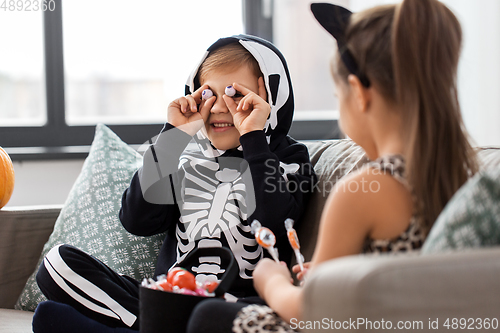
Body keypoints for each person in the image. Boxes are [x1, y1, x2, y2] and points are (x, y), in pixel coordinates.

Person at [186, 1, 479, 332]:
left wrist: (273, 282)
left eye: (338, 96)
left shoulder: (364, 190)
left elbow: (312, 310)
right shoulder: (457, 173)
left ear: (358, 93)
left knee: (206, 317)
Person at [34, 34, 316, 332]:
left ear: (270, 98)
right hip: (168, 297)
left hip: (236, 307)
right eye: (208, 95)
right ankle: (153, 324)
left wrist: (254, 139)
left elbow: (274, 222)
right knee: (58, 264)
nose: (220, 108)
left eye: (236, 95)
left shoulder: (288, 157)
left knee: (52, 319)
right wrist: (173, 137)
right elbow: (136, 220)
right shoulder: (185, 159)